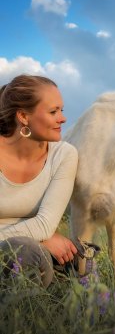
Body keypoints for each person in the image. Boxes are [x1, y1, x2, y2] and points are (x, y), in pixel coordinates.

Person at [0, 74, 79, 288]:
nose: (62, 118)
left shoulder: (64, 155)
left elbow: (45, 224)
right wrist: (40, 237)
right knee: (24, 248)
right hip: (29, 248)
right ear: (24, 117)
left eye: (62, 110)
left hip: (34, 255)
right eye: (53, 112)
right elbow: (42, 230)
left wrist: (41, 237)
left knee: (25, 250)